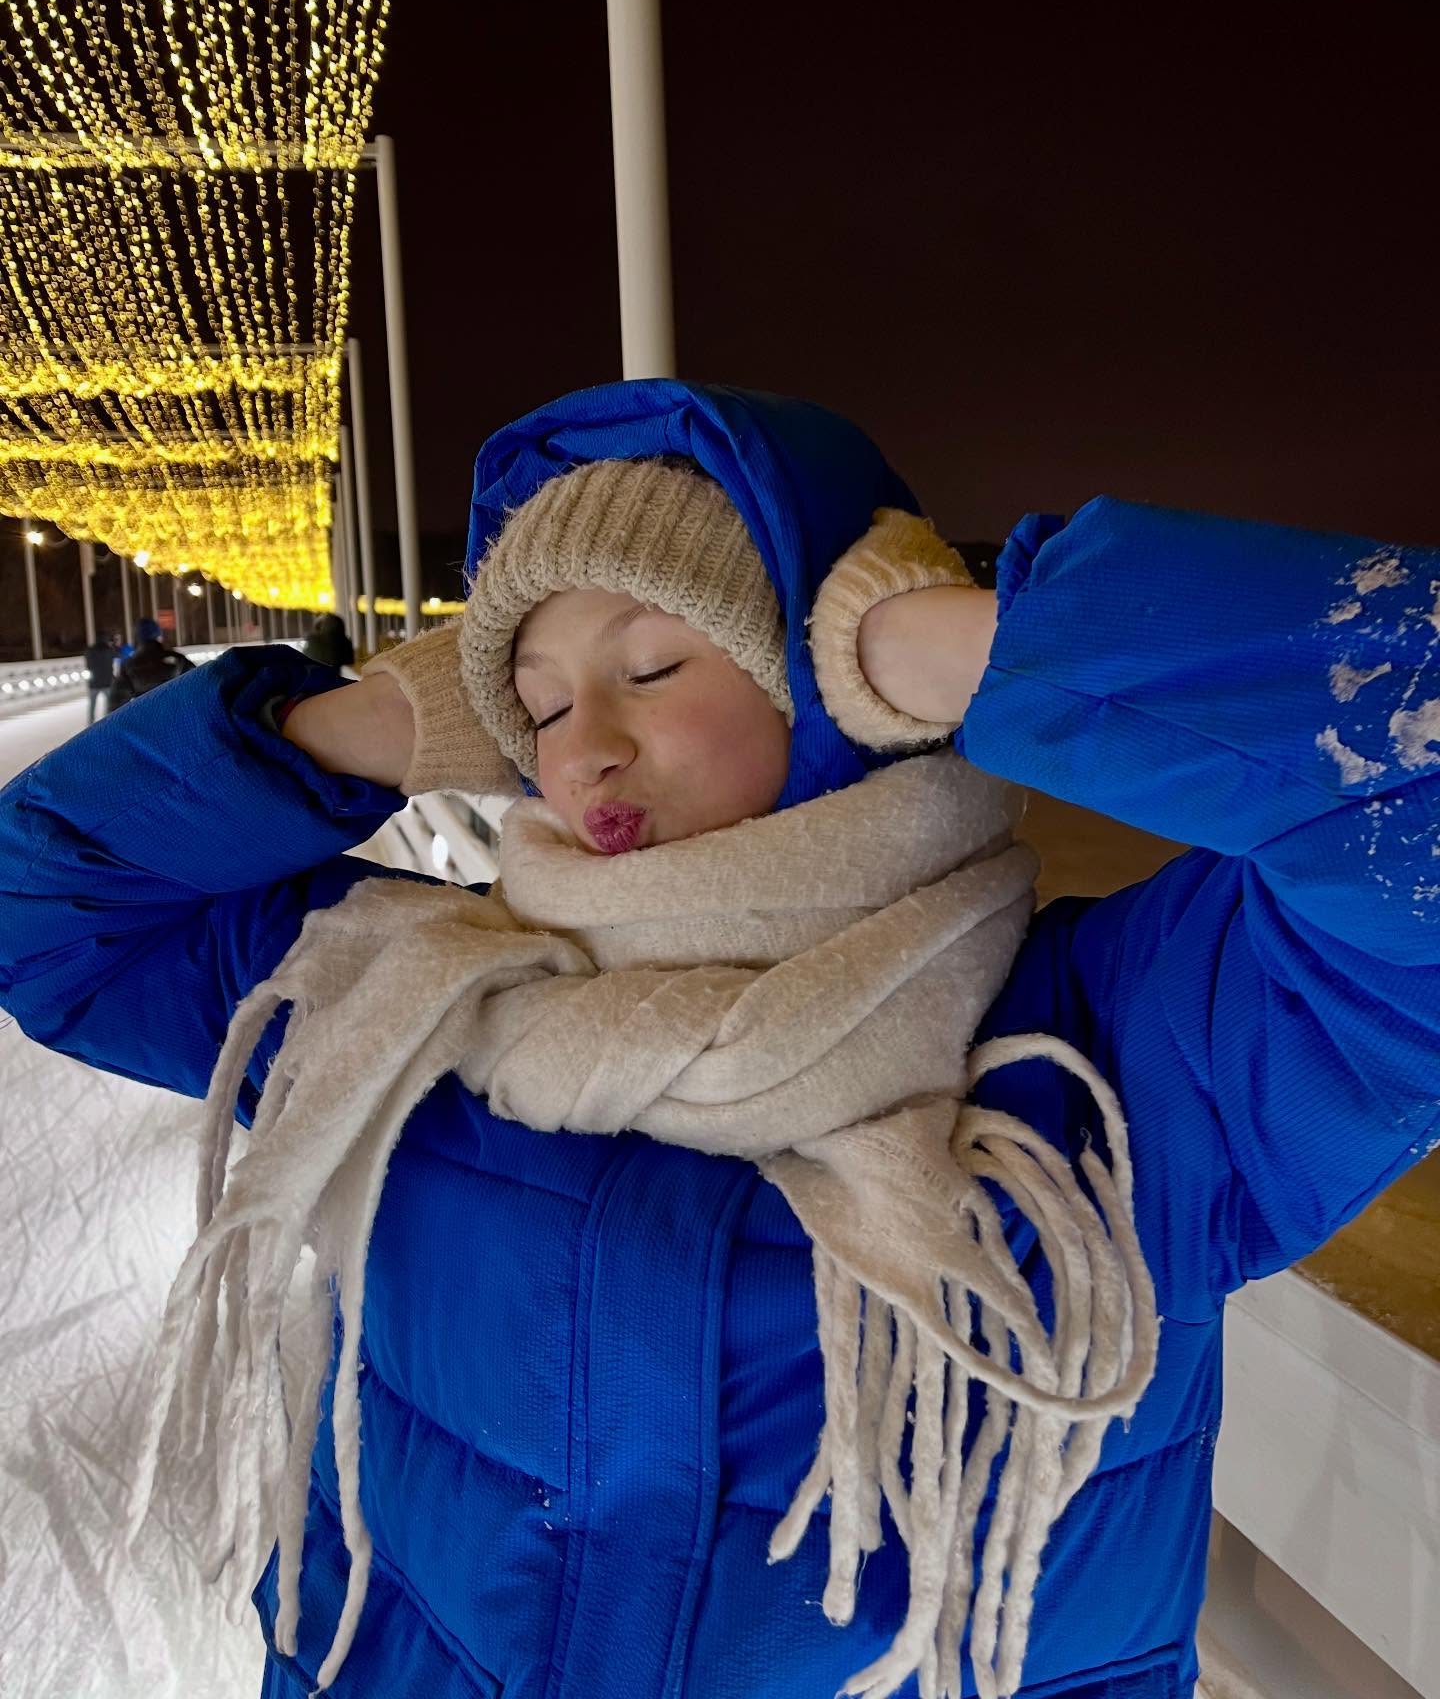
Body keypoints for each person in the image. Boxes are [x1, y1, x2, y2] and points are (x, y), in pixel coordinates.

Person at [0, 379, 1435, 1699]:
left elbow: (1409, 781)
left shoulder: (1125, 1052)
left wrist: (949, 645)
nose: (583, 749)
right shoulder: (417, 1007)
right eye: (535, 705)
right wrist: (371, 726)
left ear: (827, 689)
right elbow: (47, 911)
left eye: (653, 666)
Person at [106, 615, 196, 708]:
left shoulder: (129, 665)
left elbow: (117, 702)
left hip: (145, 714)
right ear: (159, 636)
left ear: (138, 639)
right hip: (178, 712)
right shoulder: (177, 659)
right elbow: (198, 685)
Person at [82, 628, 118, 724]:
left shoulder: (90, 650)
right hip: (107, 681)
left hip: (94, 682)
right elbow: (117, 655)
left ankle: (90, 722)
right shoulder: (109, 650)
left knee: (92, 703)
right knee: (109, 703)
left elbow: (88, 664)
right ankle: (107, 721)